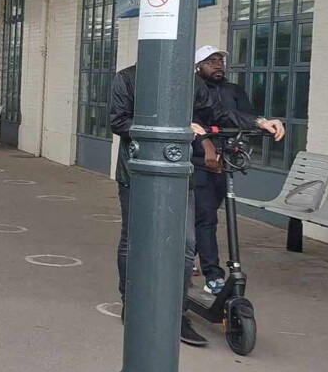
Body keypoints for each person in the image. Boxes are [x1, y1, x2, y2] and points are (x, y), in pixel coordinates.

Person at [110, 62, 283, 346]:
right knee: (134, 239)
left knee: (186, 243)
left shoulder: (190, 82)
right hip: (137, 172)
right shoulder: (128, 78)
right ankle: (131, 301)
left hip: (180, 171)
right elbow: (119, 122)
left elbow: (217, 111)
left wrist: (258, 122)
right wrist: (173, 127)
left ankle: (175, 312)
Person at [192, 45, 281, 295]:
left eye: (220, 60)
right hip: (200, 160)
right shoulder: (193, 89)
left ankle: (194, 258)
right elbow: (192, 121)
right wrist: (206, 146)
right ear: (198, 66)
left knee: (210, 215)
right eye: (211, 61)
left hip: (227, 160)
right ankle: (212, 274)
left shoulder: (234, 91)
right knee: (205, 216)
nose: (217, 65)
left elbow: (235, 116)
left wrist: (262, 124)